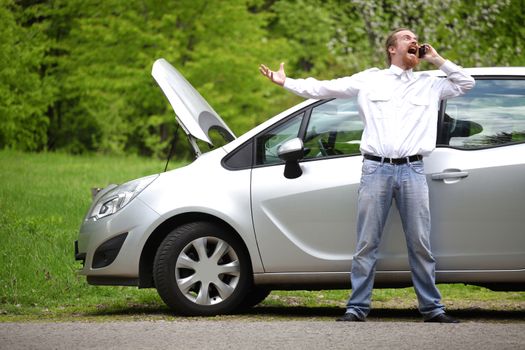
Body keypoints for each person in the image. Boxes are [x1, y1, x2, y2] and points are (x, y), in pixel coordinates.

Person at [259, 28, 475, 323]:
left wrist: (436, 59)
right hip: (376, 170)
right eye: (406, 38)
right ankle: (357, 308)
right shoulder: (369, 80)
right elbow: (324, 89)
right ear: (391, 49)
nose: (414, 41)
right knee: (366, 242)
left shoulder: (430, 84)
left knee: (420, 243)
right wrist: (287, 82)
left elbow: (466, 82)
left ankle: (432, 309)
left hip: (413, 170)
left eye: (416, 39)